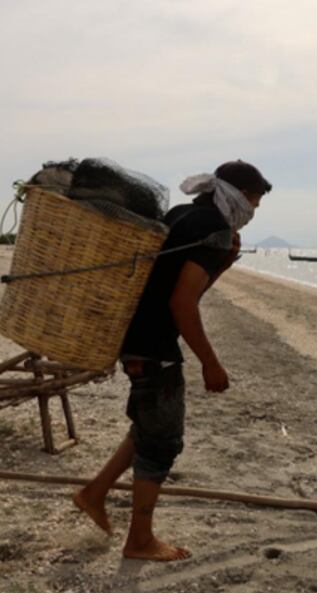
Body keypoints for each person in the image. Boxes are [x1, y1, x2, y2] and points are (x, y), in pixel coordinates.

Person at [74, 160, 272, 561]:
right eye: (254, 199)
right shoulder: (212, 230)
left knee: (148, 427)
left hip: (132, 332)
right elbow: (182, 302)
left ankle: (94, 493)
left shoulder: (184, 215)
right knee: (162, 443)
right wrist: (210, 362)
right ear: (238, 195)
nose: (255, 209)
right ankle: (140, 541)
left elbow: (179, 287)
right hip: (153, 344)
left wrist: (225, 264)